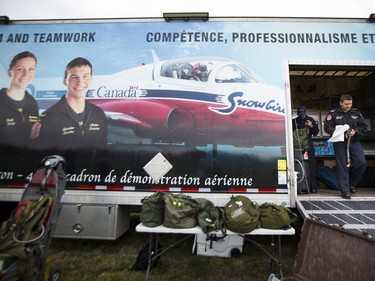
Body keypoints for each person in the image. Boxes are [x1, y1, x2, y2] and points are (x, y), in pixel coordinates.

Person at [38, 57, 108, 173]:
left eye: (85, 76)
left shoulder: (98, 114)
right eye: (74, 77)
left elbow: (103, 154)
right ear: (65, 80)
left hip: (90, 183)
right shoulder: (49, 117)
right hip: (61, 184)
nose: (80, 82)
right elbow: (43, 161)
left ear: (91, 79)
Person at [324, 94, 367, 199]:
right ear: (341, 103)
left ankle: (351, 184)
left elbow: (364, 127)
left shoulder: (356, 113)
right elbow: (327, 127)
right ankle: (345, 191)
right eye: (346, 104)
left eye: (350, 104)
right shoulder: (333, 114)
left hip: (354, 141)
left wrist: (355, 131)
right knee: (342, 166)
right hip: (340, 142)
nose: (348, 106)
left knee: (360, 163)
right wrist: (340, 131)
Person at [0, 51, 39, 148]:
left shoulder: (32, 103)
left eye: (31, 69)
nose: (26, 74)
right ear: (10, 72)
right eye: (20, 69)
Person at [292, 105, 320, 193]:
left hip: (308, 147)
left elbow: (316, 133)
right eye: (300, 114)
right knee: (296, 166)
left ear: (306, 112)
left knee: (311, 166)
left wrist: (311, 126)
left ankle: (313, 187)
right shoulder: (294, 121)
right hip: (296, 147)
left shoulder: (310, 120)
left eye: (303, 114)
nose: (302, 116)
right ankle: (298, 186)